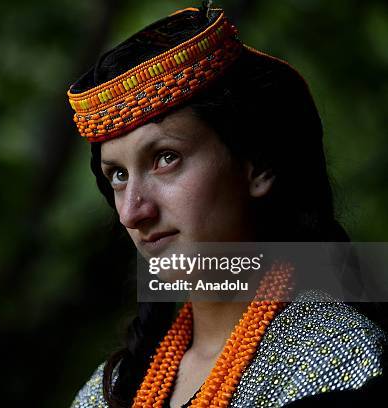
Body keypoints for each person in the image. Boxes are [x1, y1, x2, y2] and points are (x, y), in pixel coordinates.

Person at [65, 3, 387, 408]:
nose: (132, 212)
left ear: (259, 166)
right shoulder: (108, 391)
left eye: (165, 158)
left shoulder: (333, 363)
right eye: (118, 175)